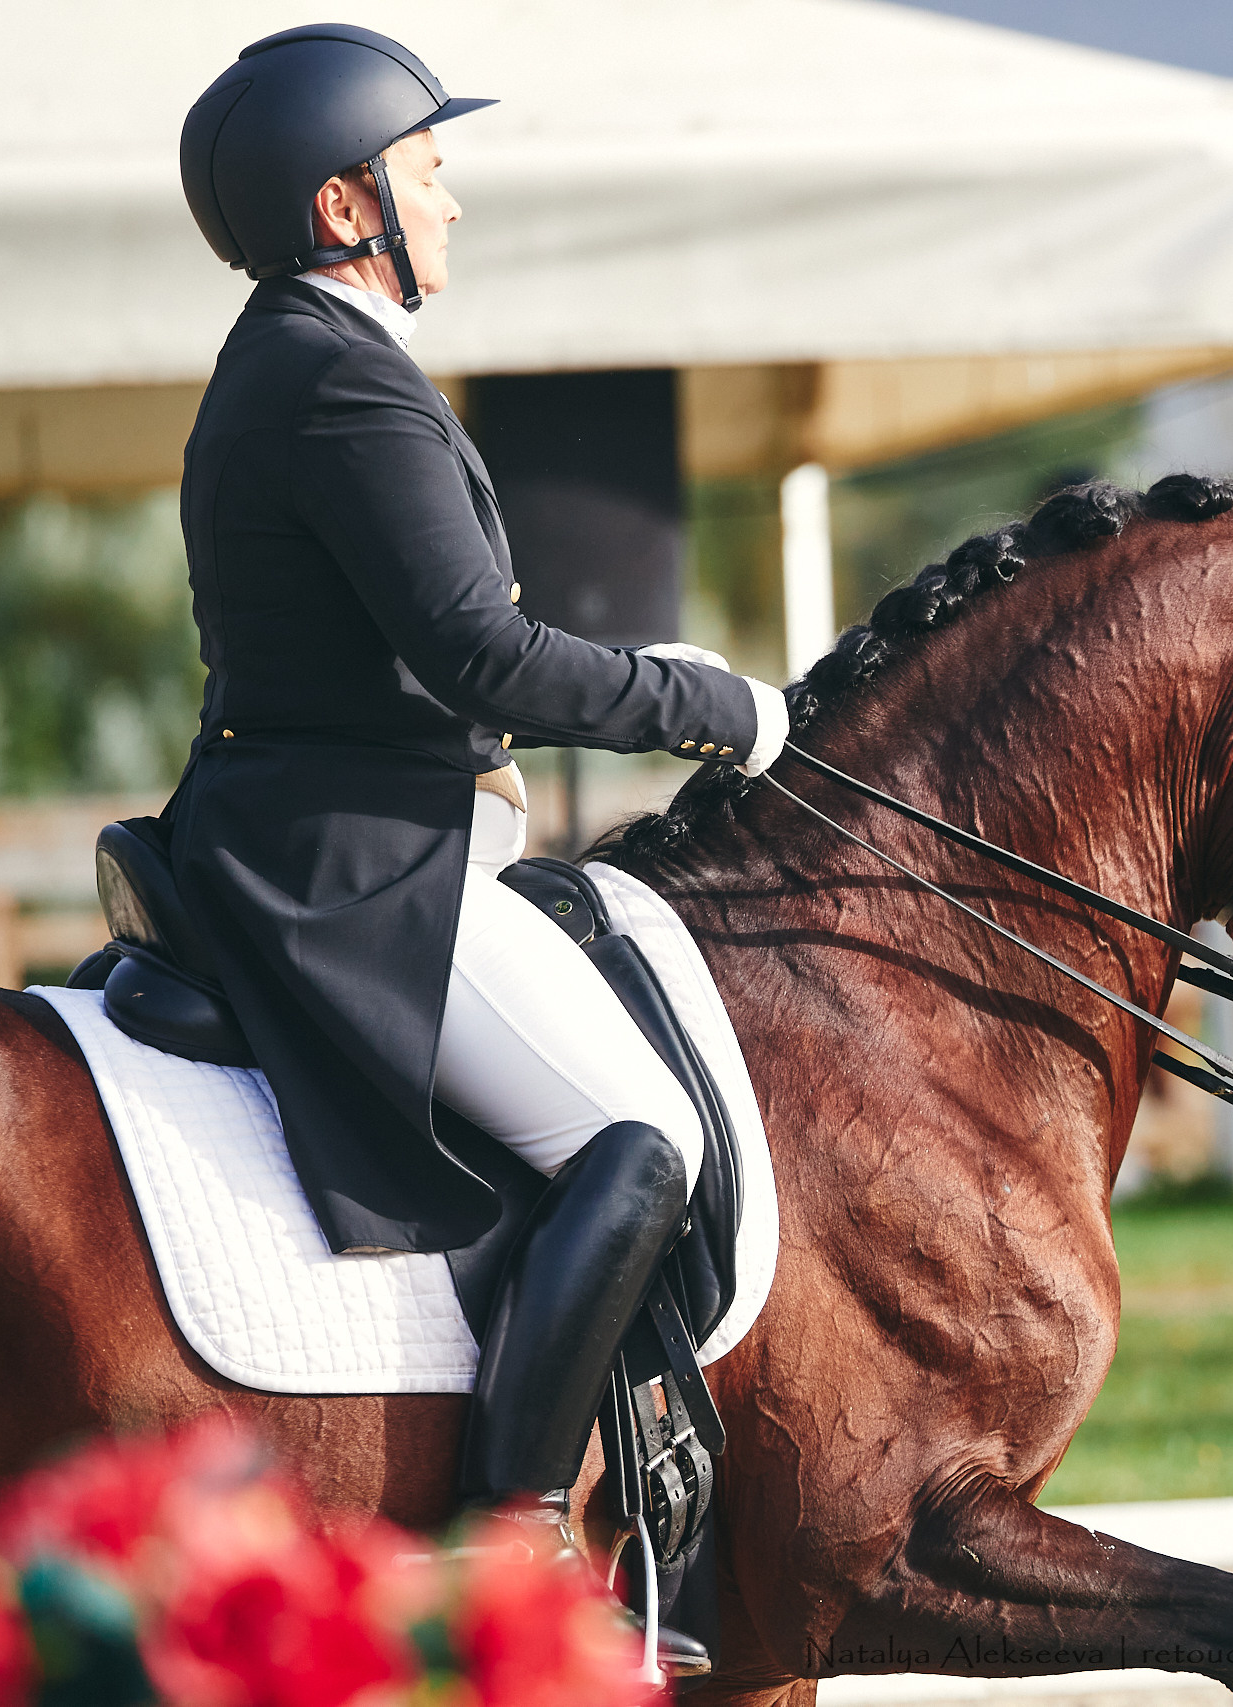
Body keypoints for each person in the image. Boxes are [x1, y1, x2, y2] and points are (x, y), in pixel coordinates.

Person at [171, 22, 773, 1599]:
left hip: (327, 821)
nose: (453, 202)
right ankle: (515, 1535)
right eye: (427, 172)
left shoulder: (298, 363)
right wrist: (714, 709)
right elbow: (480, 652)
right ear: (345, 207)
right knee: (637, 1140)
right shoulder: (336, 384)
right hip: (357, 869)